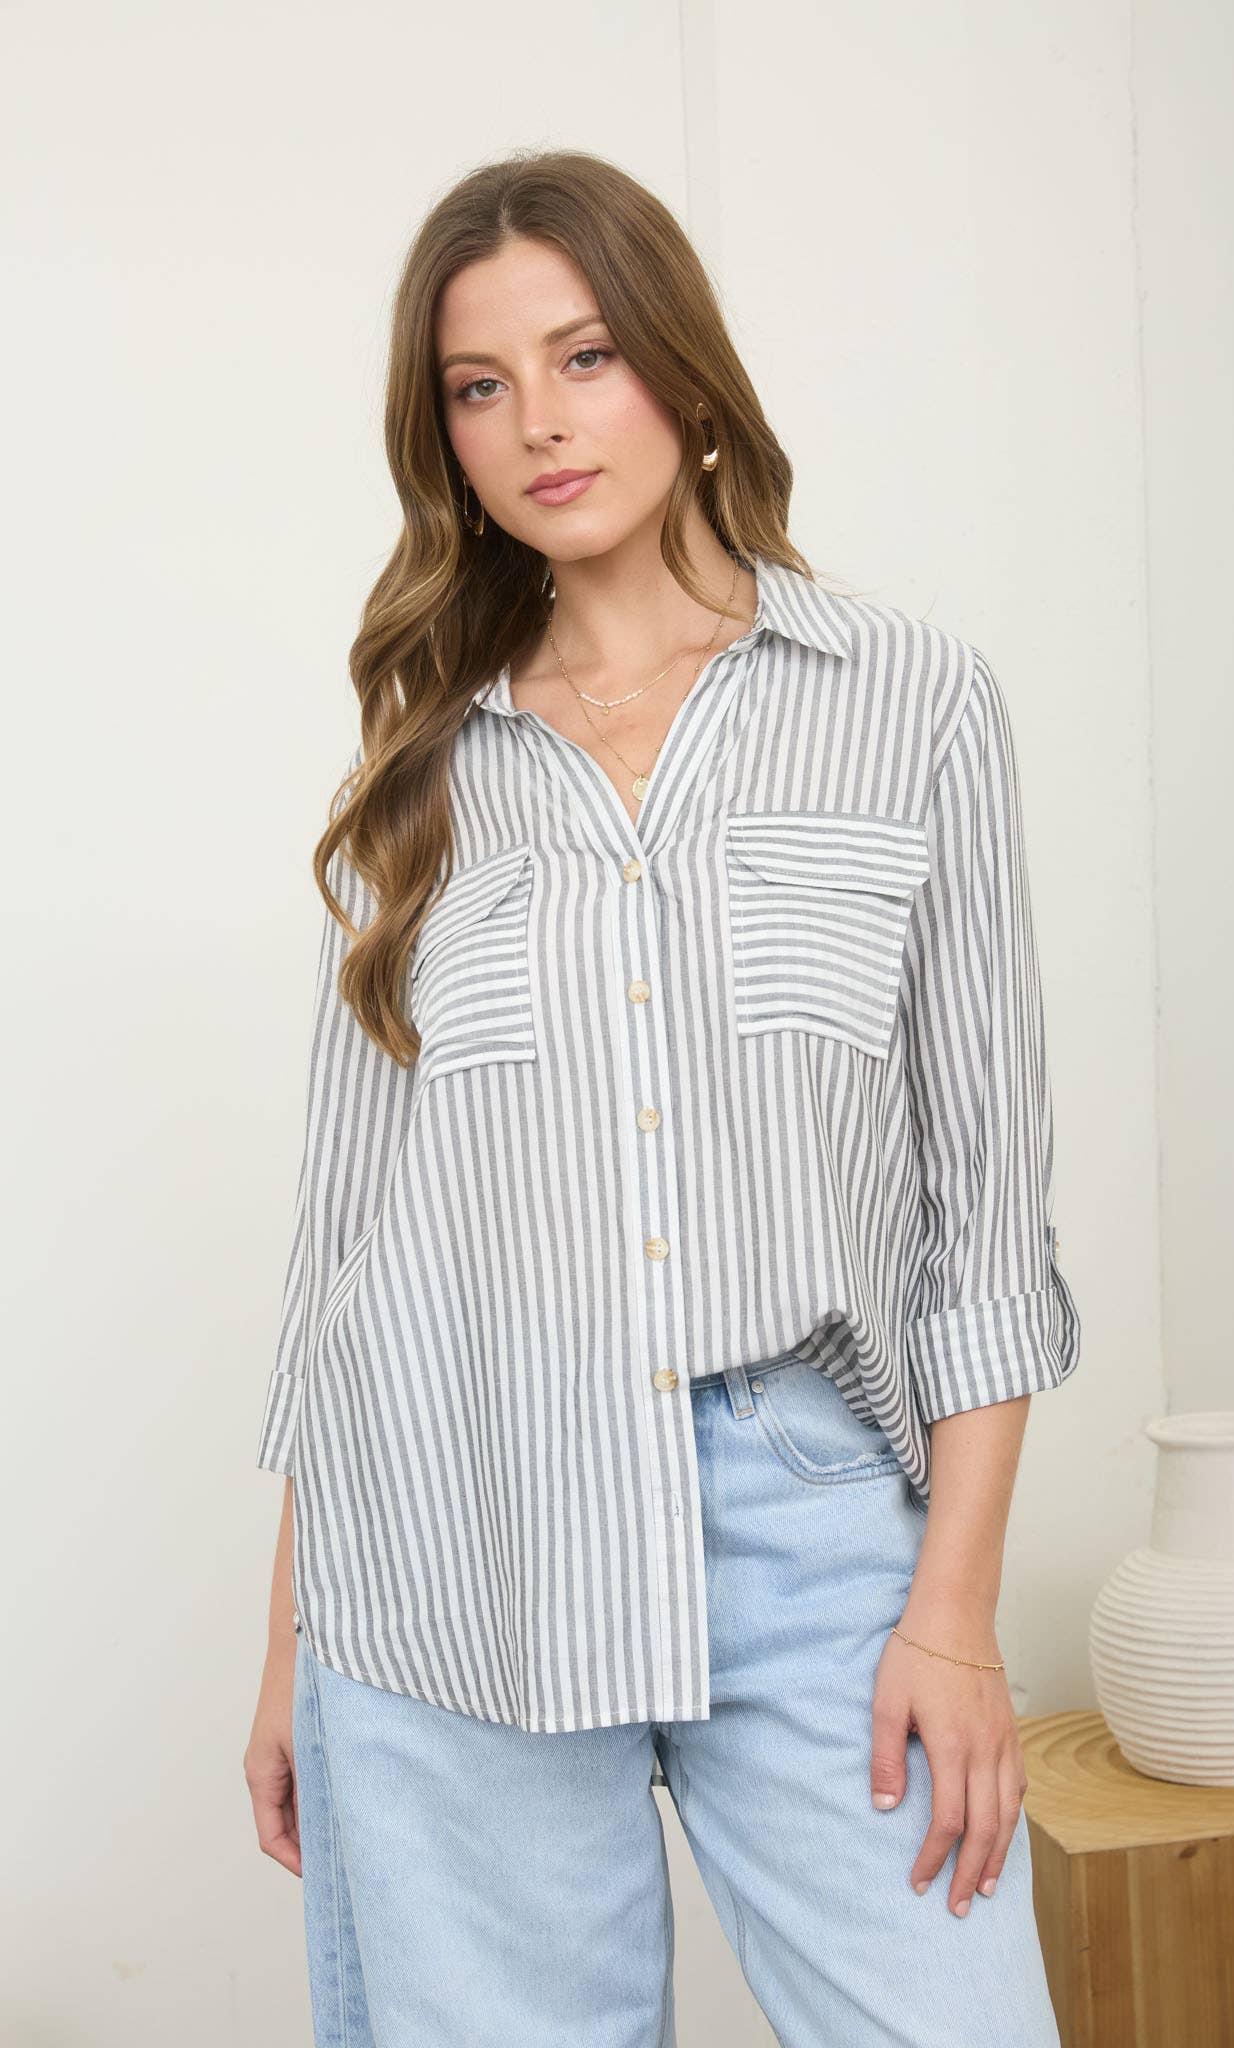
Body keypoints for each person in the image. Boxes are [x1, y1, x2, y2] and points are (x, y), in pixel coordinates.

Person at [242, 146, 1080, 2048]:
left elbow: (982, 1213)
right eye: (478, 386)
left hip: (808, 1512)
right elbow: (343, 1252)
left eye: (585, 355)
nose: (537, 422)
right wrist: (294, 1644)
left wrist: (951, 1610)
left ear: (680, 369)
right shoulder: (418, 779)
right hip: (449, 1531)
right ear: (446, 441)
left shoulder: (910, 703)